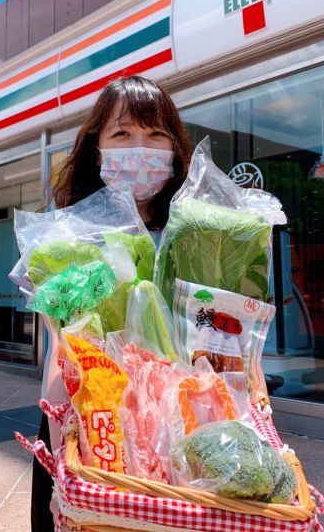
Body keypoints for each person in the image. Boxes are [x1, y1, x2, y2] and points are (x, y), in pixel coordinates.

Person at [30, 76, 192, 530]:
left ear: (175, 149)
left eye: (156, 135)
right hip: (89, 417)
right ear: (96, 149)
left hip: (180, 418)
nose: (140, 149)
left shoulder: (192, 232)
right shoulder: (64, 237)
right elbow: (59, 339)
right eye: (122, 134)